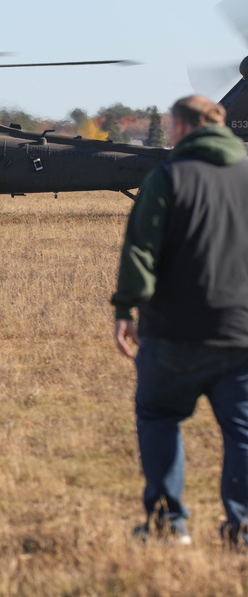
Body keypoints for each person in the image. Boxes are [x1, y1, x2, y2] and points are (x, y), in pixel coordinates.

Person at [112, 95, 248, 548]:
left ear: (184, 128)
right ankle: (243, 528)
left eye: (170, 126)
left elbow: (139, 249)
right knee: (242, 431)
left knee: (159, 416)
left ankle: (169, 525)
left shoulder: (167, 177)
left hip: (173, 331)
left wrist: (125, 308)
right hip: (241, 332)